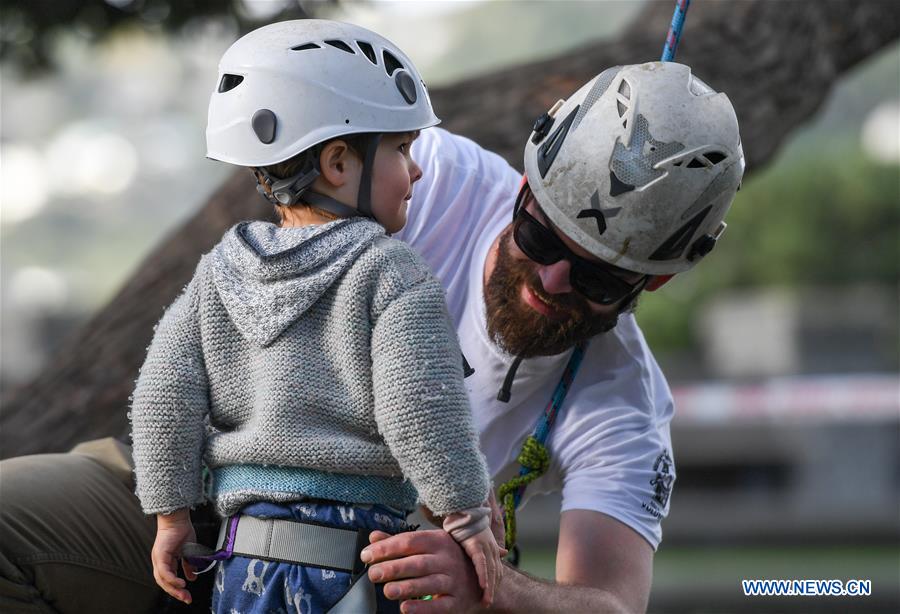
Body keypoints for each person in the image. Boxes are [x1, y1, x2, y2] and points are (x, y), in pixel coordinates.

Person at [0, 58, 742, 614]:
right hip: (204, 500)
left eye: (599, 280)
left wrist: (491, 587)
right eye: (538, 239)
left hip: (373, 574)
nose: (549, 283)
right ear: (523, 187)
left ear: (656, 285)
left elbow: (610, 603)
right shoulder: (426, 180)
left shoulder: (622, 404)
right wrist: (170, 504)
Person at [129, 19, 506, 614]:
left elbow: (161, 397)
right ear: (337, 163)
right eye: (403, 149)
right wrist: (467, 512)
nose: (417, 170)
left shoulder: (217, 274)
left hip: (238, 570)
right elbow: (418, 407)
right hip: (346, 574)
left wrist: (171, 515)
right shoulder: (390, 272)